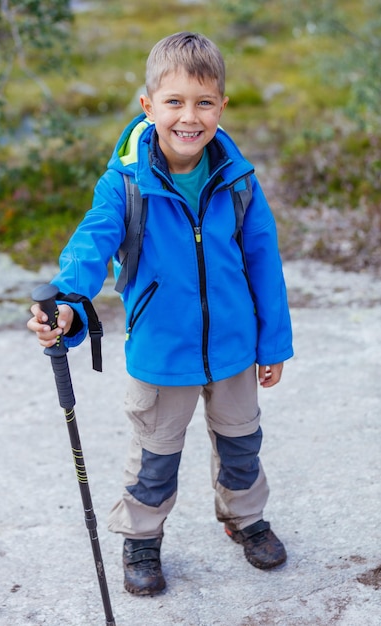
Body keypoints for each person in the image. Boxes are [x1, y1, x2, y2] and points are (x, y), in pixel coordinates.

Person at [28, 31, 294, 596]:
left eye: (203, 102)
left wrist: (272, 345)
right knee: (155, 457)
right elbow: (89, 244)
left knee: (242, 443)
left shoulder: (239, 180)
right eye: (174, 102)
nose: (189, 117)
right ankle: (142, 538)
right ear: (148, 107)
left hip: (234, 347)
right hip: (161, 349)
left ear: (222, 106)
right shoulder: (125, 184)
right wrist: (68, 301)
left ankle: (245, 518)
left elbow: (264, 264)